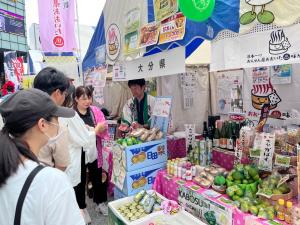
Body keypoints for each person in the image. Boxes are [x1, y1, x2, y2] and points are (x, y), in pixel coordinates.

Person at [0, 88, 85, 225]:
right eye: (56, 118)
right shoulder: (52, 181)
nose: (58, 124)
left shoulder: (6, 165)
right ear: (43, 124)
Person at [34, 68, 101, 224]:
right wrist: (96, 130)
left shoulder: (29, 112)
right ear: (58, 93)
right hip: (60, 173)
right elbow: (81, 142)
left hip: (36, 184)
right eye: (65, 94)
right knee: (69, 202)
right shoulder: (61, 115)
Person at [74, 85, 109, 216]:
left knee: (97, 176)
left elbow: (103, 126)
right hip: (79, 152)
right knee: (80, 179)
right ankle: (81, 208)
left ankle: (100, 203)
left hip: (94, 149)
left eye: (89, 97)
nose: (87, 101)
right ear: (76, 99)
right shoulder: (73, 114)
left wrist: (98, 129)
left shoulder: (95, 111)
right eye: (83, 98)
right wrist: (94, 130)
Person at [33, 67, 70, 171]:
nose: (64, 97)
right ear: (58, 93)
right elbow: (62, 166)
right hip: (43, 180)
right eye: (64, 93)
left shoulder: (21, 114)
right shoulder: (56, 125)